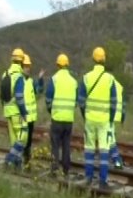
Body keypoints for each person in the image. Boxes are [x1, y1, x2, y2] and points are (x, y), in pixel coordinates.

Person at [78, 47, 117, 189]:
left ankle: (88, 178)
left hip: (90, 120)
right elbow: (114, 102)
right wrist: (111, 119)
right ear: (104, 60)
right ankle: (103, 181)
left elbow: (81, 101)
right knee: (104, 150)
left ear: (93, 59)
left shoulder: (86, 78)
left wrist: (85, 115)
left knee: (89, 149)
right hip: (104, 121)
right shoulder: (109, 79)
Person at [45, 53, 78, 177]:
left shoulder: (54, 79)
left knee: (55, 145)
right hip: (69, 120)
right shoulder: (73, 82)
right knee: (66, 145)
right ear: (67, 65)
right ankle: (66, 170)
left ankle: (54, 170)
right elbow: (76, 102)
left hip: (57, 119)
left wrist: (51, 110)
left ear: (57, 65)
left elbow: (48, 98)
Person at [2, 48, 29, 169]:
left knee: (14, 140)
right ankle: (8, 160)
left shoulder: (5, 74)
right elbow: (19, 96)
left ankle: (17, 165)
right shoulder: (19, 76)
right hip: (17, 111)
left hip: (7, 111)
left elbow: (1, 95)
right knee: (23, 136)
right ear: (22, 61)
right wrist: (24, 112)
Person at [22, 54, 45, 168]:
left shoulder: (31, 81)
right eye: (25, 66)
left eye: (29, 66)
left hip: (30, 118)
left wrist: (40, 79)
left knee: (29, 142)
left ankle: (26, 160)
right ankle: (22, 160)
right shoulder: (18, 81)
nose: (28, 68)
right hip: (22, 117)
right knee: (22, 141)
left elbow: (39, 90)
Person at [109, 77, 126, 169]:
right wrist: (123, 118)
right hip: (116, 116)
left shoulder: (106, 82)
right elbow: (123, 104)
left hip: (109, 116)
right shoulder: (119, 85)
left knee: (110, 140)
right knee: (109, 138)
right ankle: (114, 159)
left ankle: (117, 161)